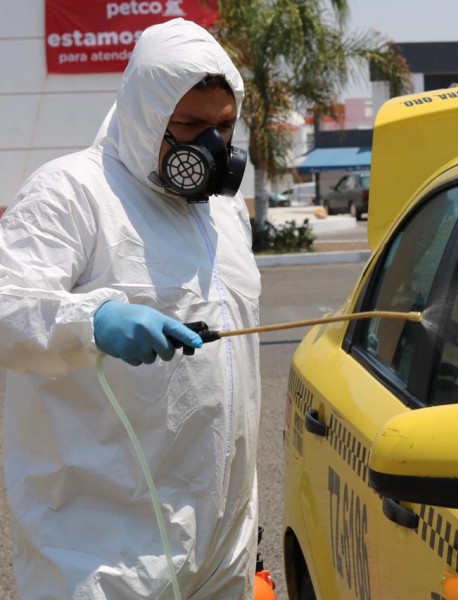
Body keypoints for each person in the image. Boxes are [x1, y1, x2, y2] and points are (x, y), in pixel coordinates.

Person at [0, 18, 262, 599]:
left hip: (220, 546)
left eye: (223, 127)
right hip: (99, 551)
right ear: (145, 114)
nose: (211, 148)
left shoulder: (222, 214)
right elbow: (6, 303)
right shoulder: (70, 192)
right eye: (191, 126)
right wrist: (90, 322)